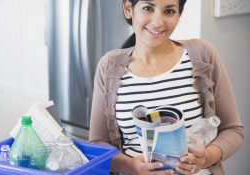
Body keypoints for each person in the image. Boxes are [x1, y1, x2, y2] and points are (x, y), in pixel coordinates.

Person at [89, 0, 244, 175]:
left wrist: (206, 157)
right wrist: (130, 166)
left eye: (169, 11)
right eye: (148, 8)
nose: (157, 22)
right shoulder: (109, 66)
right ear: (128, 8)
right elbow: (98, 142)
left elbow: (233, 130)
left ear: (179, 14)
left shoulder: (203, 55)